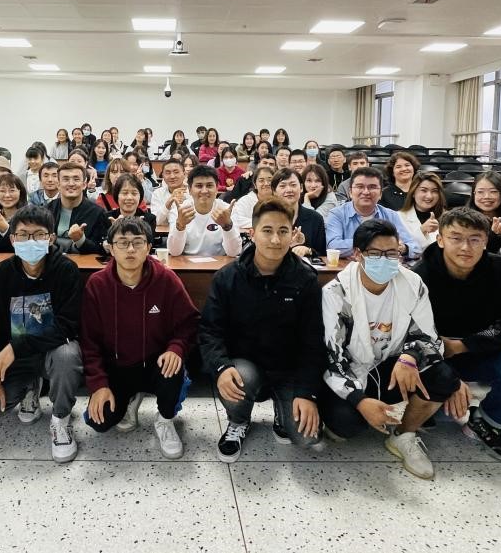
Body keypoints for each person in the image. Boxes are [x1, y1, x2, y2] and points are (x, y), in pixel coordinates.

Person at [319, 220, 461, 480]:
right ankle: (372, 409)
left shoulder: (412, 283)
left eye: (392, 253)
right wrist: (360, 401)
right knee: (345, 424)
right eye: (376, 254)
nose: (385, 260)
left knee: (444, 377)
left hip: (394, 365)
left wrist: (410, 356)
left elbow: (428, 335)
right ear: (358, 254)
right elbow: (333, 356)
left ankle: (404, 434)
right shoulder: (337, 292)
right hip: (353, 369)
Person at [410, 208, 501, 462]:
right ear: (440, 239)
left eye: (475, 239)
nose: (465, 247)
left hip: (480, 349)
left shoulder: (499, 268)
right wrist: (448, 376)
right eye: (456, 238)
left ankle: (487, 420)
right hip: (434, 356)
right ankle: (436, 399)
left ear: (485, 241)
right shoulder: (419, 275)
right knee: (436, 408)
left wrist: (465, 344)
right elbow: (411, 335)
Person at [200, 198, 324, 461]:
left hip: (288, 369)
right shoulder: (228, 277)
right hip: (245, 366)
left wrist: (307, 393)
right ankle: (239, 421)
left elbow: (313, 341)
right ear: (252, 233)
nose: (276, 240)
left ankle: (283, 409)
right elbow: (210, 330)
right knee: (236, 379)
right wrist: (221, 367)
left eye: (283, 231)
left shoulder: (305, 279)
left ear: (292, 235)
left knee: (307, 438)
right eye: (267, 231)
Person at [81, 217, 198, 458]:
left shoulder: (166, 279)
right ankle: (130, 397)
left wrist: (176, 348)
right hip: (117, 367)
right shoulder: (97, 284)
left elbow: (190, 322)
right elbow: (89, 342)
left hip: (155, 363)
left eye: (138, 242)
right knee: (98, 422)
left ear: (148, 247)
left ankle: (165, 419)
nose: (131, 249)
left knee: (173, 366)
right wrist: (99, 384)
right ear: (111, 248)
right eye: (122, 243)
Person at [0, 206, 84, 463]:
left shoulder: (66, 270)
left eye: (39, 234)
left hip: (49, 353)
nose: (30, 241)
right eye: (23, 235)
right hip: (17, 359)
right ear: (12, 239)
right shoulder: (1, 273)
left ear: (51, 238)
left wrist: (16, 347)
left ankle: (60, 419)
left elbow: (68, 326)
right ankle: (29, 387)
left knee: (68, 354)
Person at [325, 166, 420, 260]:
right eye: (360, 186)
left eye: (372, 187)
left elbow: (415, 248)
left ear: (381, 193)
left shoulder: (391, 215)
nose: (366, 192)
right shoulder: (337, 214)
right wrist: (382, 244)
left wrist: (404, 248)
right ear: (350, 192)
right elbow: (333, 247)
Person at [167, 166, 241, 258]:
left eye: (209, 185)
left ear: (217, 188)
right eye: (199, 186)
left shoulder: (227, 210)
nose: (204, 191)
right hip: (186, 264)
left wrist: (227, 226)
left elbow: (234, 252)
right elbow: (174, 252)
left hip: (220, 264)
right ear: (189, 190)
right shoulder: (179, 211)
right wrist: (180, 226)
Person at [46, 162, 106, 255]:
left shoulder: (98, 213)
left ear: (84, 184)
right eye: (66, 179)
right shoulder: (47, 211)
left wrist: (81, 240)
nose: (71, 184)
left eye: (76, 179)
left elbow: (102, 250)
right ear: (58, 184)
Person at [272, 168, 326, 258]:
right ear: (274, 191)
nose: (289, 190)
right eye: (283, 186)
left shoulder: (315, 218)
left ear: (301, 188)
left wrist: (308, 250)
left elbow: (323, 253)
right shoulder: (267, 218)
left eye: (293, 185)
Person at [397, 173, 446, 250]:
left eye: (434, 191)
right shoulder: (398, 217)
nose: (429, 196)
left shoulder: (447, 218)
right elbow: (400, 249)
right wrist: (422, 231)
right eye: (424, 190)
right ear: (413, 192)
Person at [103, 175, 157, 240]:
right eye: (125, 193)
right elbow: (103, 244)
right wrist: (114, 230)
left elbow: (149, 244)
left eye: (134, 193)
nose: (129, 198)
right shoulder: (107, 218)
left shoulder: (149, 219)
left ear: (140, 196)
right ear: (117, 196)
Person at [0, 173, 28, 254]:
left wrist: (6, 229)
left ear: (20, 192)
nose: (7, 195)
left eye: (12, 190)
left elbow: (25, 248)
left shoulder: (28, 216)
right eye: (2, 191)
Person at [231, 165, 274, 231]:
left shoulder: (280, 200)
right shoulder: (245, 201)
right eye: (261, 180)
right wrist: (263, 223)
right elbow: (236, 220)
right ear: (255, 184)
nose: (266, 183)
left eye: (270, 180)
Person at [151, 158, 187, 226]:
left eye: (176, 172)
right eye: (167, 173)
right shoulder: (157, 193)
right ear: (163, 176)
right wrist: (169, 202)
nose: (172, 176)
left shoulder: (192, 192)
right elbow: (155, 221)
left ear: (184, 174)